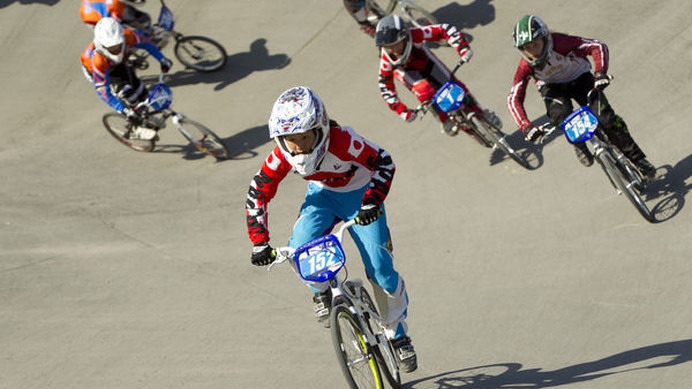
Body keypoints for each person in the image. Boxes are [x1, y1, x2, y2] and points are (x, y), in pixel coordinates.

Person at [245, 86, 417, 373]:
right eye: (290, 140)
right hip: (322, 196)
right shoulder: (282, 154)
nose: (298, 147)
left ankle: (398, 337)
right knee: (300, 246)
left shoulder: (344, 141)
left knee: (380, 271)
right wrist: (259, 242)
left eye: (304, 138)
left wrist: (372, 201)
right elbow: (258, 191)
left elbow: (385, 162)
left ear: (321, 128)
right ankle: (321, 292)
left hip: (361, 197)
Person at [508, 14, 656, 179]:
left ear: (545, 38)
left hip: (581, 79)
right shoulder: (525, 66)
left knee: (607, 120)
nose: (533, 51)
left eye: (535, 44)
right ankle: (578, 143)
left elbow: (597, 46)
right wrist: (527, 127)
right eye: (527, 48)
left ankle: (638, 160)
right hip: (553, 89)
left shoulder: (561, 43)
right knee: (560, 114)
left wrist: (600, 73)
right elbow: (514, 99)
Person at [375, 14, 502, 137]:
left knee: (454, 85)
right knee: (424, 91)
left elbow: (444, 29)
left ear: (405, 37)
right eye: (388, 47)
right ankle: (445, 120)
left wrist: (462, 47)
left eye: (396, 44)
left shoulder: (415, 34)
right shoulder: (386, 61)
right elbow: (386, 89)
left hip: (427, 63)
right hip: (408, 73)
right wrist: (402, 111)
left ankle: (481, 113)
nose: (393, 50)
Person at [80, 17, 172, 139]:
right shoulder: (97, 60)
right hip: (99, 71)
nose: (116, 49)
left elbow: (147, 44)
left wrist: (162, 59)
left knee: (140, 88)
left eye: (118, 45)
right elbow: (102, 90)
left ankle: (146, 116)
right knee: (127, 94)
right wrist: (123, 110)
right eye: (112, 48)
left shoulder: (127, 35)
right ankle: (136, 128)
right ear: (102, 45)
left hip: (116, 65)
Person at [80, 0, 151, 31]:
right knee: (143, 19)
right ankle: (148, 31)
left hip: (88, 17)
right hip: (100, 17)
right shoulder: (115, 6)